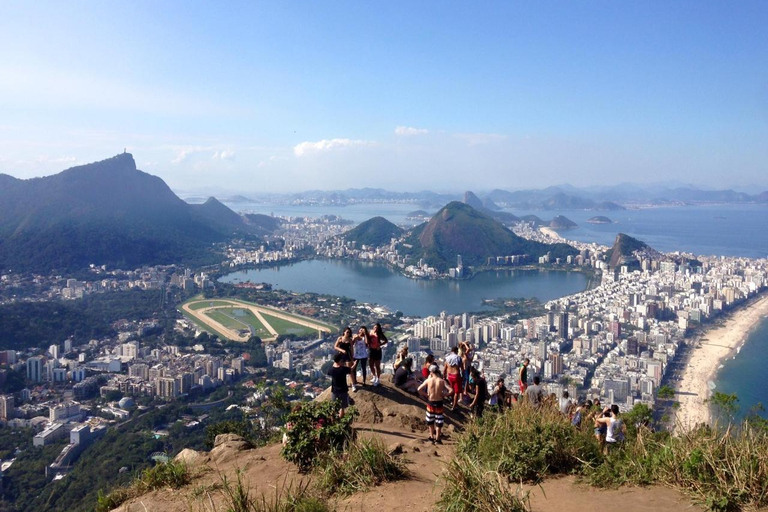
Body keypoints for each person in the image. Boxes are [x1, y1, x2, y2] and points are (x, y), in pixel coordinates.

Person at [418, 364, 453, 444]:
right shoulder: (442, 381)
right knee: (439, 422)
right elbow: (451, 390)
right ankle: (438, 438)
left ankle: (431, 437)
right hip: (439, 402)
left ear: (431, 372)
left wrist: (425, 395)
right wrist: (444, 395)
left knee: (430, 421)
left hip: (430, 402)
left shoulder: (428, 380)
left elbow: (419, 389)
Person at [327, 353, 352, 418]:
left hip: (334, 391)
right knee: (342, 407)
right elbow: (351, 370)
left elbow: (328, 372)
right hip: (343, 391)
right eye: (342, 361)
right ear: (340, 361)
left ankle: (333, 421)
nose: (343, 362)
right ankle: (340, 421)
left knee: (334, 407)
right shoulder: (343, 369)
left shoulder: (332, 370)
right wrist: (354, 364)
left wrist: (334, 364)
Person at [443, 346, 463, 410]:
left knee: (451, 390)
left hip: (449, 376)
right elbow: (462, 368)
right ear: (456, 351)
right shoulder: (458, 358)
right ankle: (454, 406)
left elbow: (445, 369)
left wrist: (444, 376)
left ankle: (452, 402)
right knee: (456, 392)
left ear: (451, 351)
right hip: (456, 375)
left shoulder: (447, 358)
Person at [351, 326, 370, 390]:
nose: (361, 330)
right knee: (354, 368)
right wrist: (354, 338)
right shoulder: (355, 336)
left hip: (363, 355)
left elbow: (367, 344)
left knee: (363, 368)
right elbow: (352, 343)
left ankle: (364, 381)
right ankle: (355, 380)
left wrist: (365, 334)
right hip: (356, 355)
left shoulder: (365, 337)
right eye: (361, 329)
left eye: (363, 330)